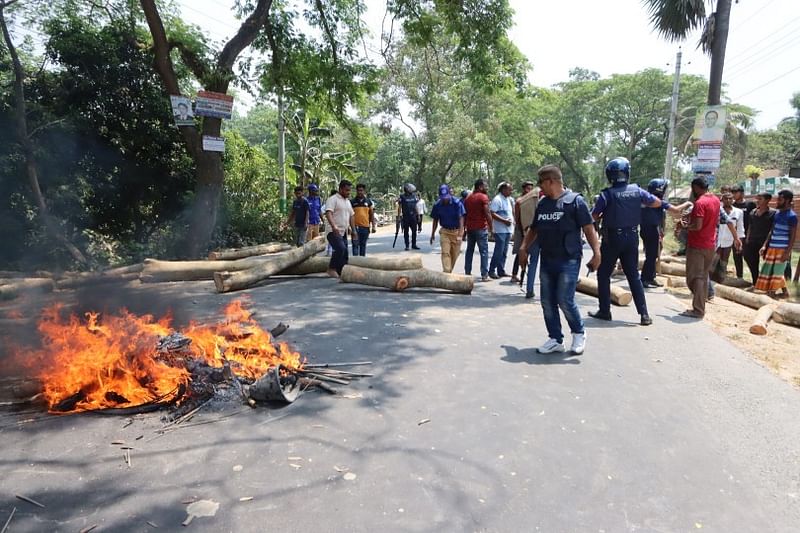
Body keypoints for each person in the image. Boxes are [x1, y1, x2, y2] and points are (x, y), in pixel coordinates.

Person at [518, 165, 600, 355]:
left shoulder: (575, 202)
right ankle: (555, 338)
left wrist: (597, 253)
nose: (540, 188)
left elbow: (589, 229)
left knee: (564, 299)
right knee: (547, 301)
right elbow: (534, 229)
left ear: (551, 181)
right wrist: (524, 247)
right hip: (547, 259)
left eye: (541, 183)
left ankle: (579, 332)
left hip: (568, 260)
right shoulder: (543, 204)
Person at [590, 158, 668, 326]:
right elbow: (655, 202)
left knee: (603, 274)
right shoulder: (637, 191)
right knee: (633, 276)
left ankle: (605, 311)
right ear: (627, 173)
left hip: (612, 239)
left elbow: (593, 216)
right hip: (632, 237)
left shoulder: (606, 194)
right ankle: (644, 314)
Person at [680, 176, 721, 318]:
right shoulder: (716, 200)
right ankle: (700, 305)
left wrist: (685, 226)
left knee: (695, 278)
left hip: (697, 245)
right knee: (702, 276)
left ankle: (698, 309)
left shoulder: (700, 203)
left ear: (696, 188)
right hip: (710, 244)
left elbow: (697, 226)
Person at [639, 178, 691, 288]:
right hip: (651, 230)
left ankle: (651, 277)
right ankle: (644, 279)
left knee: (653, 255)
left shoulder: (646, 199)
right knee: (651, 255)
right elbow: (676, 210)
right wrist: (687, 203)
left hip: (649, 229)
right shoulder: (656, 201)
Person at [755, 189, 797, 298]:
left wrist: (787, 252)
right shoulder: (777, 214)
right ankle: (785, 292)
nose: (777, 201)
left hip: (783, 249)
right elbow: (771, 231)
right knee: (771, 269)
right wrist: (765, 245)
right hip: (772, 247)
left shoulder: (792, 216)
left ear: (787, 200)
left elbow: (793, 237)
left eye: (780, 199)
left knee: (777, 271)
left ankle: (772, 292)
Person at [429, 184, 465, 273]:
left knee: (455, 254)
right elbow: (435, 220)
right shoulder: (437, 205)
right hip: (445, 231)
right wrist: (432, 234)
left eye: (446, 197)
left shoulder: (457, 203)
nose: (445, 199)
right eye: (443, 197)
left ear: (450, 194)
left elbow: (461, 219)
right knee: (445, 253)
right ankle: (446, 271)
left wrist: (460, 234)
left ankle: (448, 271)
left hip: (456, 231)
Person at [324, 180, 356, 278]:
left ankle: (342, 272)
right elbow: (328, 213)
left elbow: (351, 216)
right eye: (346, 190)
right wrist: (334, 226)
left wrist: (353, 230)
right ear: (340, 189)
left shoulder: (347, 202)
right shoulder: (332, 199)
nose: (348, 192)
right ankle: (331, 268)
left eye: (349, 190)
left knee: (345, 253)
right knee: (340, 249)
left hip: (344, 231)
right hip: (333, 231)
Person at [463, 179, 494, 281]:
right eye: (485, 186)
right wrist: (491, 227)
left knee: (469, 251)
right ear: (480, 187)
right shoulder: (483, 197)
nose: (487, 188)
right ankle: (484, 275)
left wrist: (464, 229)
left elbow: (465, 214)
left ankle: (467, 272)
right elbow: (487, 213)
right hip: (480, 228)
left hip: (470, 228)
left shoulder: (468, 198)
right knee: (484, 252)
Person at [742, 193, 776, 285]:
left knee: (769, 263)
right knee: (749, 258)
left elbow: (772, 230)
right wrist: (747, 238)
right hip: (753, 240)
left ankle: (770, 284)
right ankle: (755, 281)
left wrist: (765, 244)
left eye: (760, 199)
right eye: (757, 199)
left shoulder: (773, 213)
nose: (757, 201)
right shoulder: (753, 212)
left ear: (767, 200)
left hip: (766, 241)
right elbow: (750, 226)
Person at [488, 182, 515, 279]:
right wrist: (504, 221)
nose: (511, 191)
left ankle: (501, 270)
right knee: (498, 251)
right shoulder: (497, 199)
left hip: (508, 229)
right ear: (503, 190)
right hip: (500, 230)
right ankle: (491, 270)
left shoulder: (508, 200)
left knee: (504, 251)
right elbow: (492, 213)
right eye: (509, 190)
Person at [511, 181, 535, 283]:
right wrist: (522, 231)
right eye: (527, 188)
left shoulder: (532, 200)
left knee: (530, 253)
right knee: (520, 252)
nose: (529, 191)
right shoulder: (519, 201)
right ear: (524, 189)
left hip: (530, 229)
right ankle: (514, 274)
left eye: (531, 189)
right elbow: (517, 218)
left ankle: (525, 274)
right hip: (521, 230)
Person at [716, 191, 744, 276]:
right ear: (722, 200)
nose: (728, 200)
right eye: (726, 198)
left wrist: (739, 240)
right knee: (715, 258)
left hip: (730, 239)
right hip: (716, 239)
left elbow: (740, 227)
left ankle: (722, 276)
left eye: (730, 198)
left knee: (725, 258)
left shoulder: (738, 212)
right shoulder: (718, 210)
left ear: (733, 200)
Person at [731, 185, 756, 278]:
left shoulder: (750, 205)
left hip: (747, 236)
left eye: (735, 192)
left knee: (748, 257)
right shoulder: (732, 205)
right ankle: (739, 277)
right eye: (732, 192)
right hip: (735, 236)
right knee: (737, 257)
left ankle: (755, 278)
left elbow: (753, 221)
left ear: (742, 193)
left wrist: (750, 235)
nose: (733, 195)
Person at [351, 183, 376, 256]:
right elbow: (350, 215)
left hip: (365, 227)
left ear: (364, 191)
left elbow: (371, 215)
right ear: (356, 191)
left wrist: (373, 226)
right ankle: (355, 263)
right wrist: (350, 227)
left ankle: (362, 262)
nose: (360, 192)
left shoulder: (368, 202)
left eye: (361, 190)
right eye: (358, 190)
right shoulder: (352, 202)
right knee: (355, 245)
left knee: (363, 245)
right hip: (355, 227)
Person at [397, 184, 420, 250]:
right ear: (407, 189)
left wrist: (418, 215)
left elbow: (416, 206)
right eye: (410, 188)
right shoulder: (402, 197)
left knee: (414, 231)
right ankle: (407, 245)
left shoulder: (413, 196)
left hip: (413, 216)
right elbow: (400, 207)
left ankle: (414, 244)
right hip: (406, 217)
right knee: (406, 232)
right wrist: (398, 217)